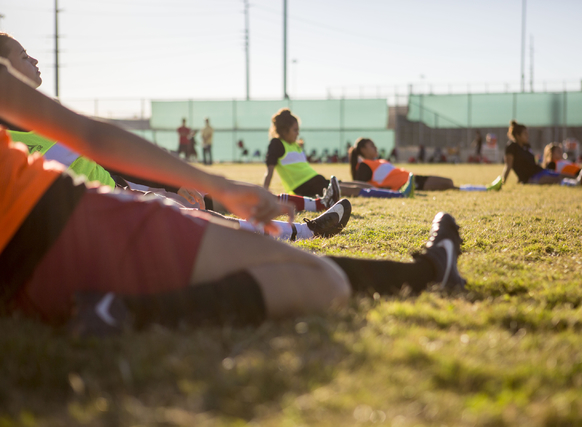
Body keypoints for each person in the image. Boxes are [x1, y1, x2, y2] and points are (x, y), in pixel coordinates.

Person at [0, 54, 467, 336]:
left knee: (249, 246)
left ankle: (419, 266)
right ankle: (124, 311)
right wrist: (219, 185)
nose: (31, 64)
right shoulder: (278, 146)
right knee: (317, 279)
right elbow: (95, 140)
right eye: (19, 56)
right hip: (68, 219)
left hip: (22, 271)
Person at [0, 33, 343, 241]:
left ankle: (314, 211)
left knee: (204, 202)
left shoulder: (48, 120)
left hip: (120, 193)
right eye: (23, 56)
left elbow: (103, 154)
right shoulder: (10, 140)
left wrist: (163, 183)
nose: (34, 59)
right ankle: (305, 231)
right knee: (195, 215)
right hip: (97, 218)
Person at [263, 108, 410, 199]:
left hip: (316, 180)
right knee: (354, 190)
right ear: (284, 131)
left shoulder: (295, 145)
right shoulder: (277, 144)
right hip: (304, 187)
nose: (297, 133)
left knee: (361, 184)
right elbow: (269, 171)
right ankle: (399, 195)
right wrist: (264, 192)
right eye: (295, 130)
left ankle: (395, 190)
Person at [349, 138, 456, 191]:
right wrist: (385, 189)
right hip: (407, 184)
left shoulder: (377, 161)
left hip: (413, 177)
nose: (375, 148)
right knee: (448, 184)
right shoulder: (364, 165)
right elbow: (361, 186)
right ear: (363, 150)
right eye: (372, 146)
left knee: (449, 182)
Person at [501, 120, 582, 186]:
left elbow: (531, 163)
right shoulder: (511, 147)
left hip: (539, 171)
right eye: (525, 134)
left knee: (560, 175)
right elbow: (509, 165)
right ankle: (574, 183)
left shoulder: (526, 146)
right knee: (555, 179)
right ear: (517, 135)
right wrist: (502, 182)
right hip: (531, 178)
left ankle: (579, 179)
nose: (528, 136)